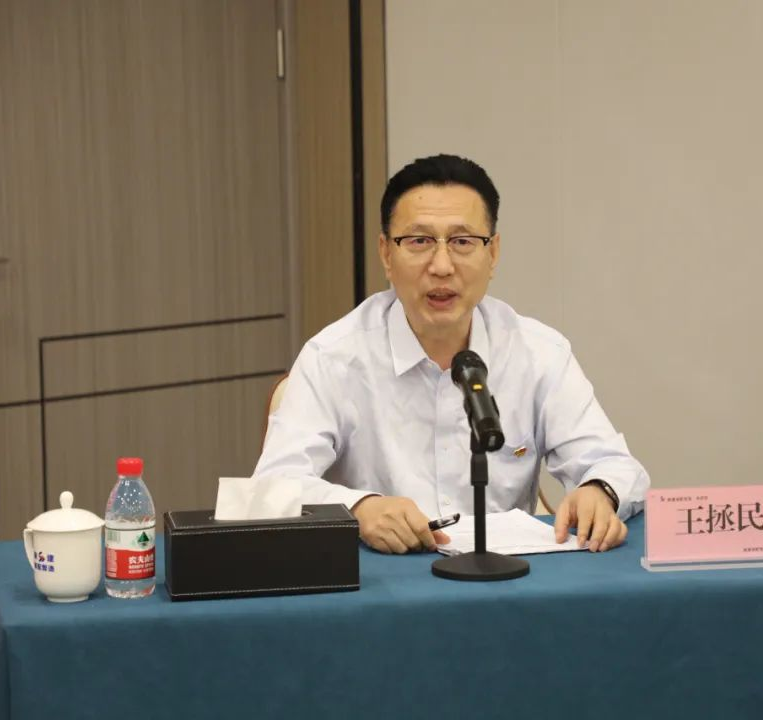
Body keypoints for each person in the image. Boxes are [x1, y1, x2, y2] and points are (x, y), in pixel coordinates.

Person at [253, 154, 649, 554]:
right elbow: (272, 485)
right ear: (386, 254)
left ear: (493, 254)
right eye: (419, 241)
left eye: (462, 242)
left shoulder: (538, 353)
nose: (441, 266)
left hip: (505, 578)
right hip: (382, 578)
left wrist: (600, 490)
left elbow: (615, 465)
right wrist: (359, 508)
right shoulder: (333, 357)